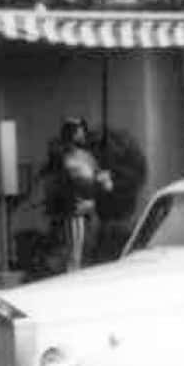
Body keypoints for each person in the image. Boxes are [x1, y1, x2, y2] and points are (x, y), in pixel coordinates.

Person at [49, 116, 114, 273]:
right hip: (76, 211)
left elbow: (98, 177)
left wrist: (103, 180)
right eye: (79, 131)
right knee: (75, 253)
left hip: (90, 209)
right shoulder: (65, 157)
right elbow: (67, 183)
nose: (83, 134)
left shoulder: (87, 156)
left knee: (88, 250)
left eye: (82, 131)